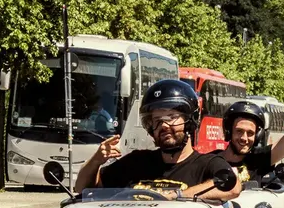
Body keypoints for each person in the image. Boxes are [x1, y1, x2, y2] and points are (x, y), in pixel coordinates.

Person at [74, 79, 241, 201]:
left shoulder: (207, 163)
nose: (164, 126)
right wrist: (96, 161)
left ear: (190, 121)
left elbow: (233, 187)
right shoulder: (136, 162)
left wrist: (178, 195)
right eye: (157, 120)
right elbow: (83, 189)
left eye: (172, 117)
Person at [215, 71, 284, 183]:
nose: (244, 138)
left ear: (258, 136)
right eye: (239, 131)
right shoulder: (209, 161)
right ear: (228, 131)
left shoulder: (259, 160)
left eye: (250, 133)